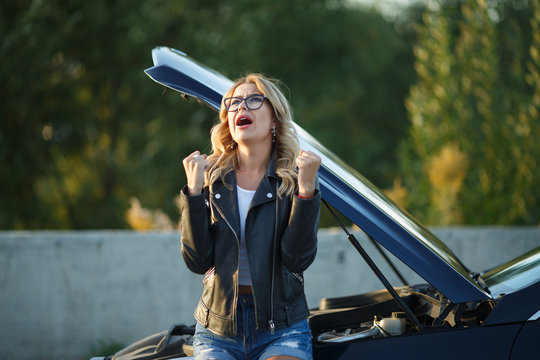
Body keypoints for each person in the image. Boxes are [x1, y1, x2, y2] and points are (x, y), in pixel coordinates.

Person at [180, 73, 321, 360]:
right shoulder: (211, 180)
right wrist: (193, 194)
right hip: (218, 331)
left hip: (282, 327)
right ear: (228, 122)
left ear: (274, 121)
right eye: (233, 103)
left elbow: (297, 259)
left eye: (254, 100)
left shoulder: (292, 182)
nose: (241, 107)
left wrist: (307, 191)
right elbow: (198, 261)